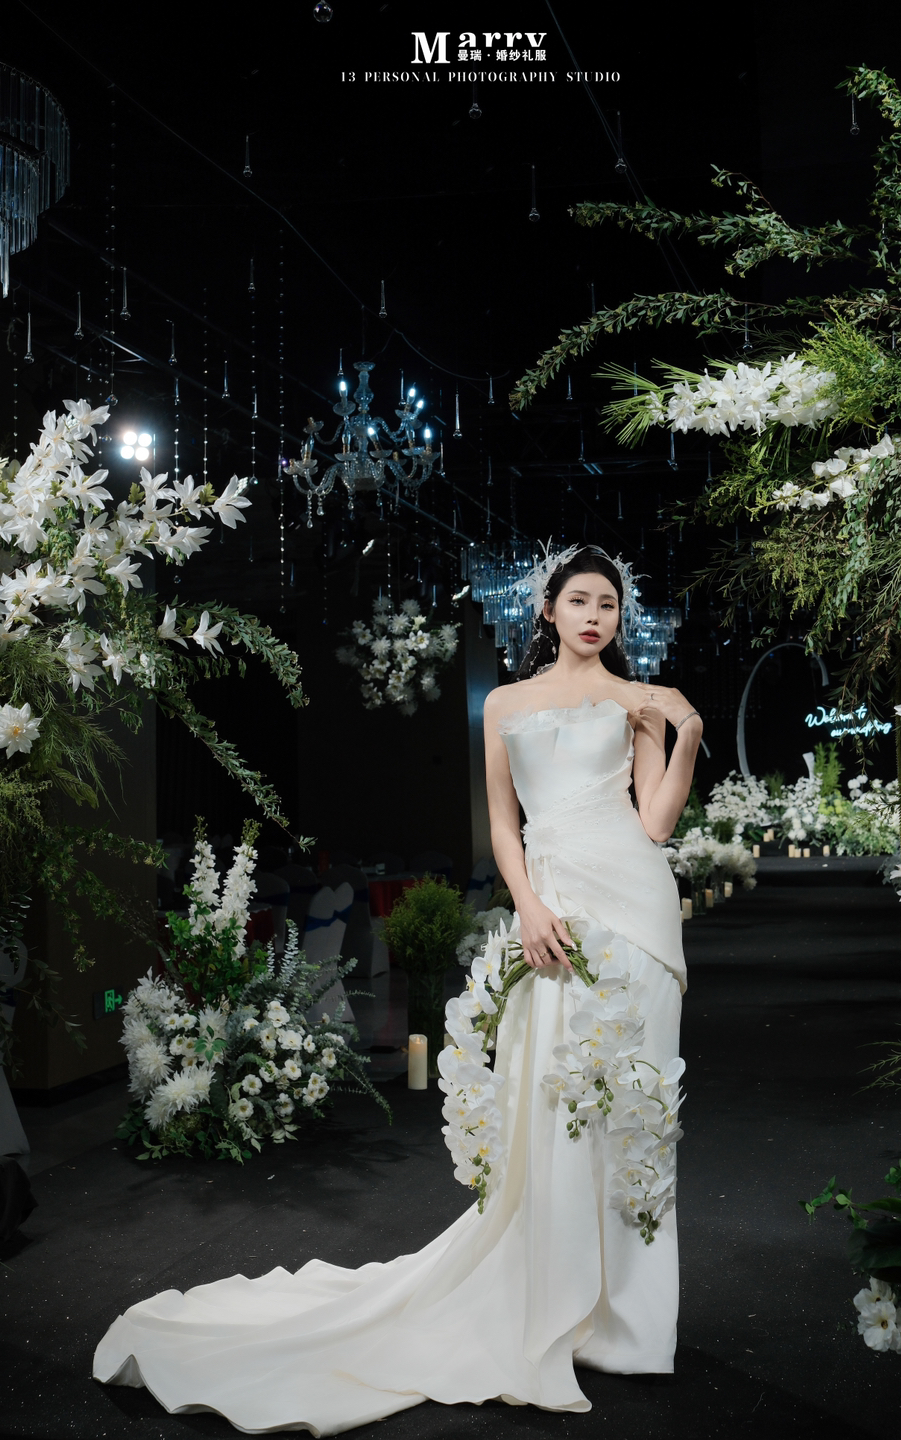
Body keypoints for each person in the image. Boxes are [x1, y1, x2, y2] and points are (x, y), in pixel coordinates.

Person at [93, 543, 700, 1436]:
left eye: (607, 603)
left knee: (636, 1106)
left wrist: (685, 732)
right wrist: (528, 906)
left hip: (636, 914)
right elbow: (503, 824)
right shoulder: (505, 703)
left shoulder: (638, 701)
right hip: (556, 910)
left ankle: (631, 1326)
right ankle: (560, 1297)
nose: (594, 617)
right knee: (558, 1098)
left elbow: (654, 824)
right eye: (579, 600)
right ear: (549, 609)